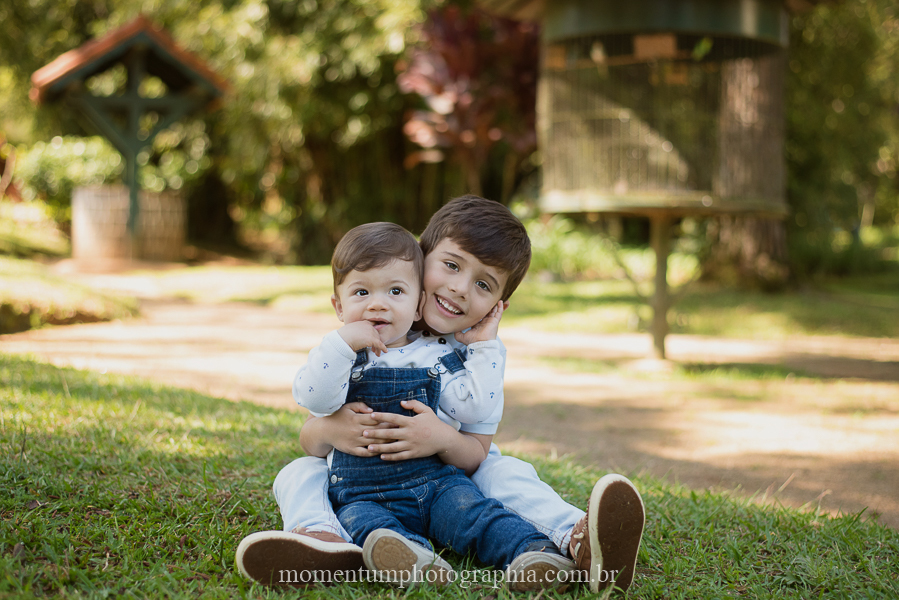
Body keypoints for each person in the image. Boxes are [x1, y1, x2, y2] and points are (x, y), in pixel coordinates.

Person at [236, 196, 645, 592]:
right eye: (450, 265)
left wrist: (444, 430)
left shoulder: (475, 359)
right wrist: (332, 430)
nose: (460, 288)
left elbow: (476, 452)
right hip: (362, 482)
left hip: (451, 478)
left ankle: (578, 539)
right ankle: (321, 539)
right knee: (297, 472)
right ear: (420, 255)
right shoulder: (369, 329)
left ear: (497, 306)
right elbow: (310, 435)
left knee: (505, 472)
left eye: (483, 285)